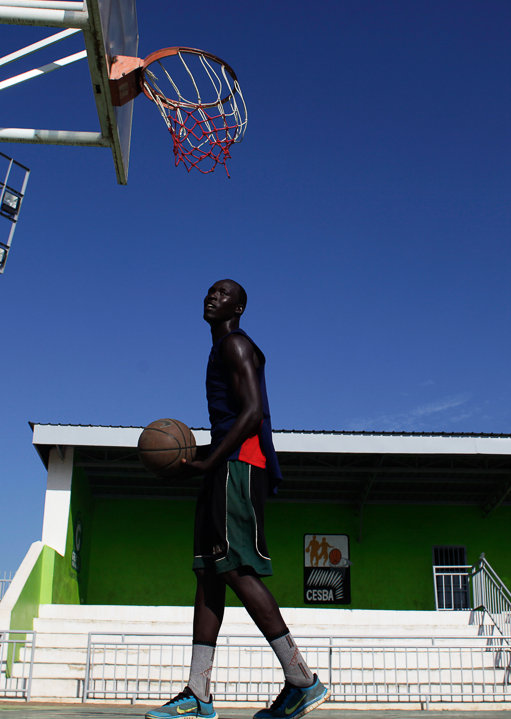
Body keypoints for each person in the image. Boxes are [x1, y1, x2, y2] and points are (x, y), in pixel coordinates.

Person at [145, 280, 327, 719]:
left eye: (224, 293)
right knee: (209, 574)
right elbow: (232, 422)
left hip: (240, 466)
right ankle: (198, 693)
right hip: (224, 464)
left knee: (236, 568)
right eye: (210, 291)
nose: (213, 296)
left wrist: (210, 462)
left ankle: (302, 680)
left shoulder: (236, 344)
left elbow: (252, 413)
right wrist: (199, 461)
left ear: (239, 307)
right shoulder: (219, 348)